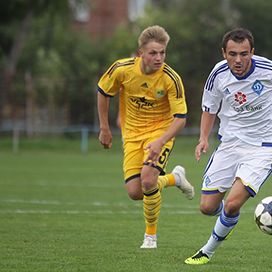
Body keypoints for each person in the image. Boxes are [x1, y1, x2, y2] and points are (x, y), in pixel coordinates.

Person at [97, 25, 195, 249]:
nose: (159, 58)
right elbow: (103, 92)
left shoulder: (171, 79)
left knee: (148, 180)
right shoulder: (122, 69)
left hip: (161, 133)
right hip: (131, 135)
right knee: (135, 192)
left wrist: (161, 140)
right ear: (141, 53)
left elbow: (181, 118)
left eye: (162, 52)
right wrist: (104, 127)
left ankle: (150, 237)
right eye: (153, 53)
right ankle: (174, 179)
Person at [184, 27, 272, 265]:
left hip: (263, 147)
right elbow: (209, 109)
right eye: (233, 54)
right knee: (207, 206)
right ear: (224, 53)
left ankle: (207, 251)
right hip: (230, 144)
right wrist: (203, 139)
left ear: (252, 52)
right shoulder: (218, 74)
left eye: (244, 54)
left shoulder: (268, 70)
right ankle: (228, 219)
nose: (238, 60)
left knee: (232, 203)